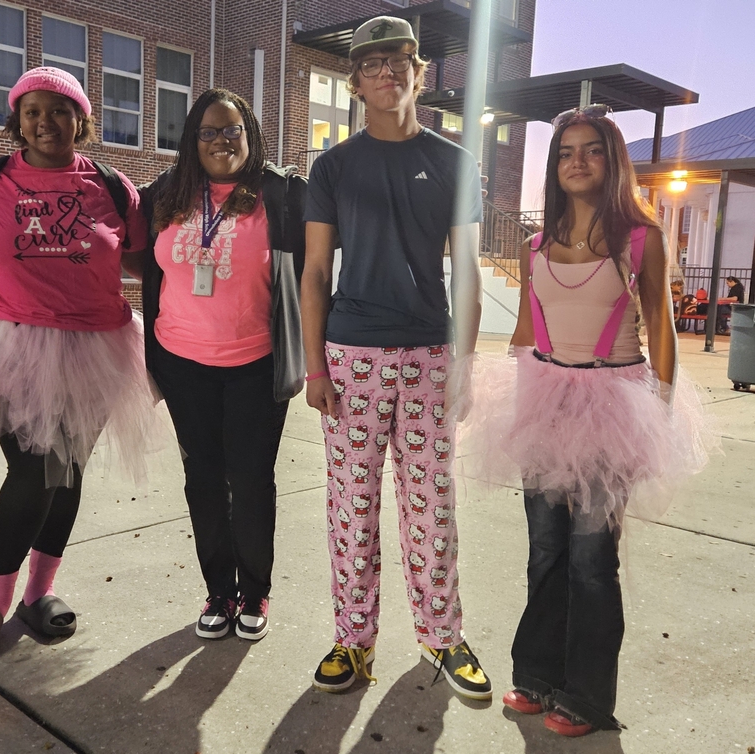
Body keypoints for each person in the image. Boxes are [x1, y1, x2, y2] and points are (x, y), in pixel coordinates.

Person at [465, 104, 713, 735]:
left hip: (611, 404)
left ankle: (588, 693)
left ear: (612, 161)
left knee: (590, 558)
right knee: (545, 550)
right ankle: (538, 675)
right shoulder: (536, 244)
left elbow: (659, 324)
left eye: (592, 150)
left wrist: (656, 411)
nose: (577, 161)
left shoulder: (640, 239)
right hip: (546, 400)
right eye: (566, 151)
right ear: (555, 167)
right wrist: (519, 405)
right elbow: (526, 326)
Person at [0, 67, 156, 658]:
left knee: (67, 471)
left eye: (59, 110)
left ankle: (39, 591)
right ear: (16, 121)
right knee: (35, 470)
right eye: (33, 111)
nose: (46, 122)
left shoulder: (112, 184)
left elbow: (142, 265)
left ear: (80, 119)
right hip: (6, 342)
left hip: (95, 347)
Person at [300, 16, 491, 699]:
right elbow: (316, 271)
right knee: (352, 507)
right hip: (351, 358)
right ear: (354, 83)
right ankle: (353, 641)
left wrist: (464, 366)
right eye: (372, 64)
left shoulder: (455, 162)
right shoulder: (333, 166)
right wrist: (315, 365)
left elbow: (467, 273)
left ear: (420, 73)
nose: (387, 72)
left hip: (429, 356)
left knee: (431, 506)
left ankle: (441, 635)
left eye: (399, 61)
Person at [129, 88, 306, 642]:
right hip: (183, 365)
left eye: (233, 129)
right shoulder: (164, 194)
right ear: (191, 141)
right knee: (202, 478)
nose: (222, 140)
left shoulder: (278, 194)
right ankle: (218, 591)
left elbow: (320, 262)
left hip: (256, 363)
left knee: (251, 480)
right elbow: (127, 253)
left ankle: (254, 591)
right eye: (209, 131)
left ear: (250, 134)